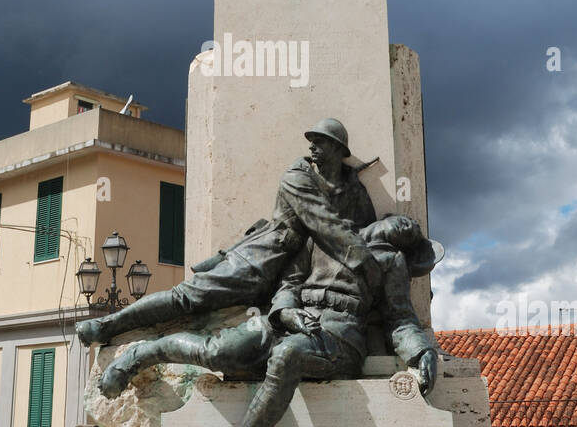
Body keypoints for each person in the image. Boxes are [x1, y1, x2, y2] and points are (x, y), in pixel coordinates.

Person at [94, 212, 440, 427]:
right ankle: (142, 353)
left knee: (287, 355)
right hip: (290, 321)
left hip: (339, 337)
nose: (407, 226)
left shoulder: (389, 261)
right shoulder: (320, 238)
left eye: (411, 234)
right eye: (405, 221)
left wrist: (420, 349)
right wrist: (286, 314)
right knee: (218, 351)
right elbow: (288, 285)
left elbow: (400, 317)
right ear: (383, 219)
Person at [76, 119, 381, 350]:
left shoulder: (352, 188)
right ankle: (107, 325)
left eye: (321, 142)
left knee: (207, 319)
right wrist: (368, 265)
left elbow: (365, 230)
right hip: (261, 258)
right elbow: (325, 223)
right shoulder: (297, 177)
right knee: (188, 297)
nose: (312, 146)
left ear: (339, 149)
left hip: (298, 272)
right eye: (311, 140)